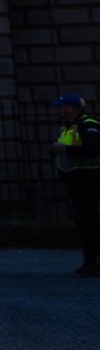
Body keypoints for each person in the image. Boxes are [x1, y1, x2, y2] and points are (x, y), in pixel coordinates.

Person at [53, 96, 100, 277]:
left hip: (89, 178)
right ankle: (90, 261)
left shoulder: (88, 124)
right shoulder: (68, 125)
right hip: (76, 178)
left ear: (70, 108)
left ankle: (91, 262)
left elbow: (93, 150)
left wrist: (63, 149)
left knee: (88, 221)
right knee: (85, 221)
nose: (59, 110)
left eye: (61, 106)